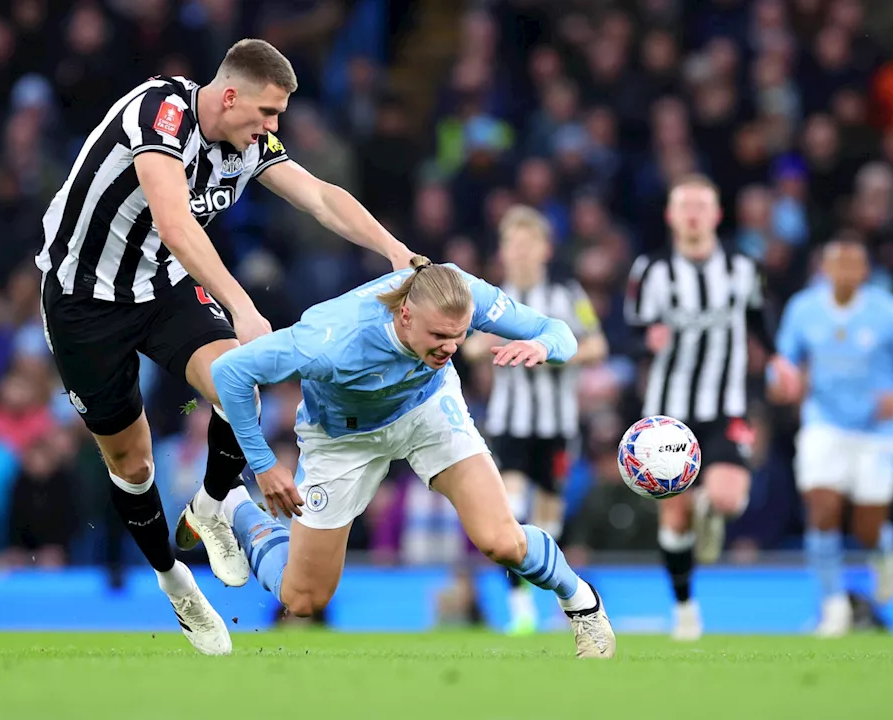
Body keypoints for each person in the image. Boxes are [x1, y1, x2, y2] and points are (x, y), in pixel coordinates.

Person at [34, 39, 412, 655]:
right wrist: (243, 305)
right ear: (229, 95)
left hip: (162, 287)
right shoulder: (158, 115)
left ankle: (210, 508)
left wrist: (391, 249)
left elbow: (318, 195)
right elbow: (177, 225)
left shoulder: (250, 142)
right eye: (267, 113)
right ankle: (175, 581)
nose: (273, 127)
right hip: (84, 302)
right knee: (132, 464)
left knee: (240, 377)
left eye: (279, 117)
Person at [208, 257, 616, 659]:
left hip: (428, 410)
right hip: (343, 437)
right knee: (304, 598)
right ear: (405, 315)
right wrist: (261, 463)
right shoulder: (331, 338)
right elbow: (230, 372)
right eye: (438, 335)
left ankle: (582, 603)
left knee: (501, 541)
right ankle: (236, 506)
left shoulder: (464, 293)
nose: (450, 347)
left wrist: (544, 346)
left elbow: (559, 331)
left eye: (458, 336)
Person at [624, 174, 794, 641]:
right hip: (667, 414)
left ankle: (709, 509)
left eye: (702, 204)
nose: (694, 213)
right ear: (671, 216)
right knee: (674, 517)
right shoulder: (651, 270)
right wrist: (646, 340)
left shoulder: (744, 266)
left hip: (728, 404)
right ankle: (684, 608)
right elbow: (629, 329)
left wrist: (779, 359)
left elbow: (760, 318)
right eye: (685, 205)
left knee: (728, 498)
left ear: (717, 215)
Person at [771, 239, 893, 637]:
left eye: (853, 265)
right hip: (824, 423)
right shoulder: (803, 308)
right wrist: (782, 383)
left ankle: (883, 549)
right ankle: (833, 606)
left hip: (877, 431)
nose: (844, 272)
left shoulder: (888, 312)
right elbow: (784, 361)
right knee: (822, 509)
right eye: (837, 265)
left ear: (865, 272)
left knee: (865, 525)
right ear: (824, 270)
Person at [463, 205, 608, 635]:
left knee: (548, 520)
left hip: (558, 426)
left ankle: (550, 597)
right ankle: (519, 606)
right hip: (510, 425)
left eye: (529, 244)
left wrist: (551, 352)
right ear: (503, 251)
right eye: (513, 244)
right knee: (509, 506)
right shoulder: (491, 296)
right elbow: (467, 347)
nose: (521, 253)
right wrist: (494, 344)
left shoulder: (568, 293)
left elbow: (597, 343)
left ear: (545, 249)